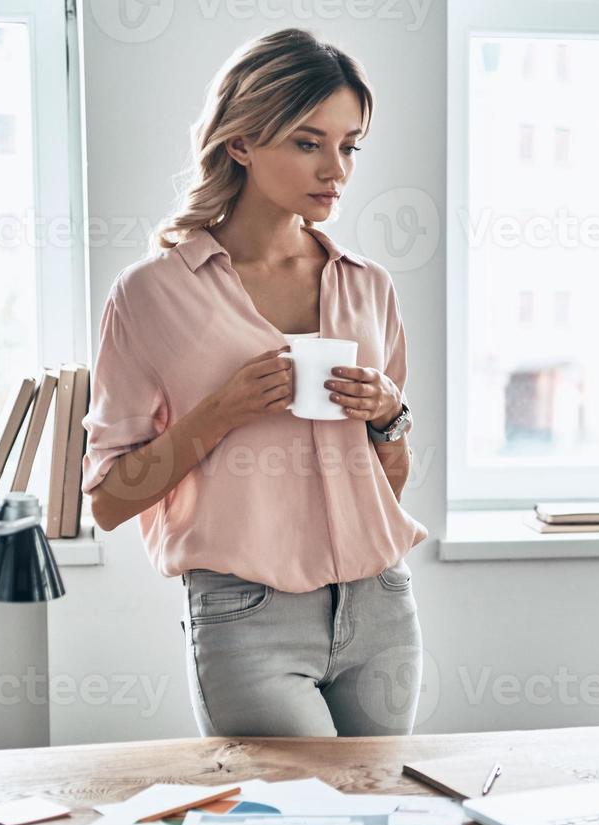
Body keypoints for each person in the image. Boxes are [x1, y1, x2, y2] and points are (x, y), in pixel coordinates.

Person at [80, 28, 427, 738]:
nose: (337, 168)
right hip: (248, 618)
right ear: (240, 142)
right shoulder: (151, 296)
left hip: (381, 604)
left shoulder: (369, 288)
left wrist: (388, 415)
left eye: (349, 144)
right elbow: (108, 500)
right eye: (308, 142)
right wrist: (221, 412)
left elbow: (386, 486)